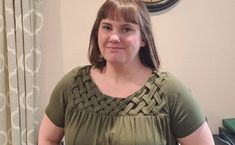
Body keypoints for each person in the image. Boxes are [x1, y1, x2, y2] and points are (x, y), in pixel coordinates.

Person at [38, 0, 215, 145]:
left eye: (126, 29)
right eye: (107, 27)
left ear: (143, 38)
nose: (114, 37)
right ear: (97, 33)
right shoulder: (73, 84)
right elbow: (47, 138)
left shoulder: (170, 91)